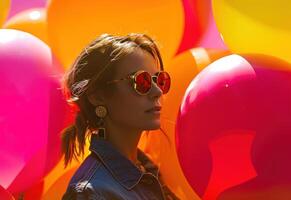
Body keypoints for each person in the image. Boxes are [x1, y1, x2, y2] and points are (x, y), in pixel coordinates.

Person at [61, 33, 179, 199]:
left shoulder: (151, 173)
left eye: (159, 80)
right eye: (141, 81)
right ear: (97, 96)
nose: (157, 92)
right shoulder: (92, 193)